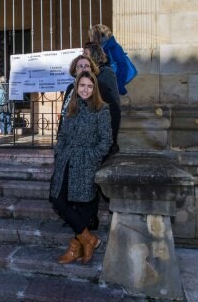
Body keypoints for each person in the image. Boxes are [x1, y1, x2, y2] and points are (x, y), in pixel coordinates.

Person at [50, 71, 112, 265]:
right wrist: (59, 151)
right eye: (82, 85)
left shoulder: (102, 109)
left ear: (94, 89)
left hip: (85, 164)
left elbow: (106, 140)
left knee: (84, 205)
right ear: (77, 87)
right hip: (66, 161)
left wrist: (91, 157)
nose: (85, 89)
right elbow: (63, 134)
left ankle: (75, 247)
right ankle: (89, 239)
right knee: (57, 199)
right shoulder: (72, 107)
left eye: (89, 86)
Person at [83, 42, 122, 154]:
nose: (83, 56)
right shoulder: (87, 75)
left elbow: (115, 105)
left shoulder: (106, 72)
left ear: (94, 55)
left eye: (86, 53)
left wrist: (112, 137)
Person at [58, 55, 100, 132]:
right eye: (80, 66)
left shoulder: (99, 87)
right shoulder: (70, 88)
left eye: (87, 66)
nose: (84, 68)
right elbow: (64, 113)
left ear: (92, 69)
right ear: (74, 71)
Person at [88, 24, 129, 95]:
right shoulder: (100, 47)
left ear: (98, 36)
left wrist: (118, 87)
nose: (90, 39)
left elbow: (123, 67)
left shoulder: (114, 47)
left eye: (92, 36)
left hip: (111, 86)